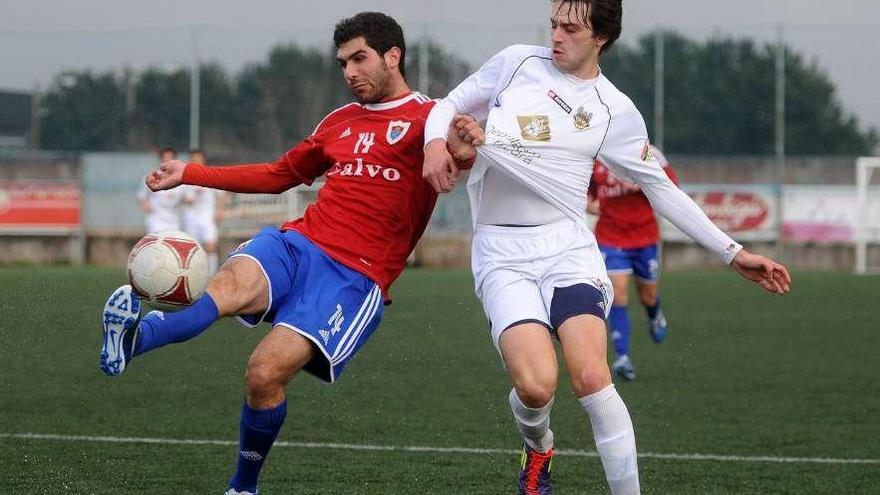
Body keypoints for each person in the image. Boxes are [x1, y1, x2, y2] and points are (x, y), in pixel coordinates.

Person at [421, 1, 790, 494]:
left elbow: (661, 188)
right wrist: (434, 144)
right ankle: (539, 448)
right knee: (535, 387)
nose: (556, 35)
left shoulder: (614, 109)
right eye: (553, 24)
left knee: (593, 376)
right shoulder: (515, 63)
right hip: (501, 252)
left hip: (568, 248)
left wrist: (733, 252)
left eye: (571, 28)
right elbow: (447, 104)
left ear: (602, 36)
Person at [99, 12, 474, 495]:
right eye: (343, 63)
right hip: (297, 242)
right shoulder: (339, 121)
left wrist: (463, 152)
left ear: (392, 56)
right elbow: (280, 175)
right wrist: (192, 174)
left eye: (359, 58)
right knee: (225, 289)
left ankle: (242, 486)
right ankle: (134, 341)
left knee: (262, 375)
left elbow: (457, 160)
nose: (349, 72)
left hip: (353, 278)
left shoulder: (431, 118)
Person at [586, 145, 678, 381]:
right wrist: (588, 203)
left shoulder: (650, 154)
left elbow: (671, 189)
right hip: (610, 237)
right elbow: (586, 191)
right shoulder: (595, 156)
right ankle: (623, 358)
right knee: (618, 294)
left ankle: (654, 314)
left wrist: (640, 185)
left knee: (647, 296)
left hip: (644, 238)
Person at [181, 148, 224, 274]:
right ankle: (194, 275)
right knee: (193, 249)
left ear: (203, 159)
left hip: (207, 216)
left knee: (210, 246)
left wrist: (220, 211)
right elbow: (182, 197)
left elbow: (221, 193)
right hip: (191, 218)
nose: (196, 160)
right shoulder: (185, 176)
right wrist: (188, 198)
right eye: (193, 158)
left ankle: (211, 274)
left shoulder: (210, 173)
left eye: (198, 157)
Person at [137, 147, 183, 233]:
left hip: (174, 220)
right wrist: (145, 205)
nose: (167, 160)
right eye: (165, 157)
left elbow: (187, 197)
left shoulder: (180, 178)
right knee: (156, 244)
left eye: (170, 158)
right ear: (161, 159)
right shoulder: (152, 176)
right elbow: (142, 196)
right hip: (156, 219)